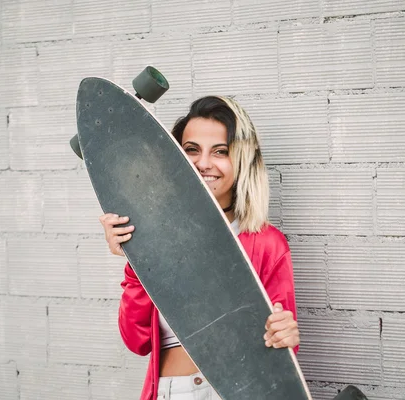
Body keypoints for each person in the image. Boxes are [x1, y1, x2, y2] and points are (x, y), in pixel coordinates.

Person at [99, 96, 300, 400]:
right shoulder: (155, 235)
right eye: (191, 150)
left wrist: (284, 333)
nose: (204, 163)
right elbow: (136, 340)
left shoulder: (267, 244)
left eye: (220, 151)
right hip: (169, 392)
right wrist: (136, 258)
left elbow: (282, 355)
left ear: (241, 160)